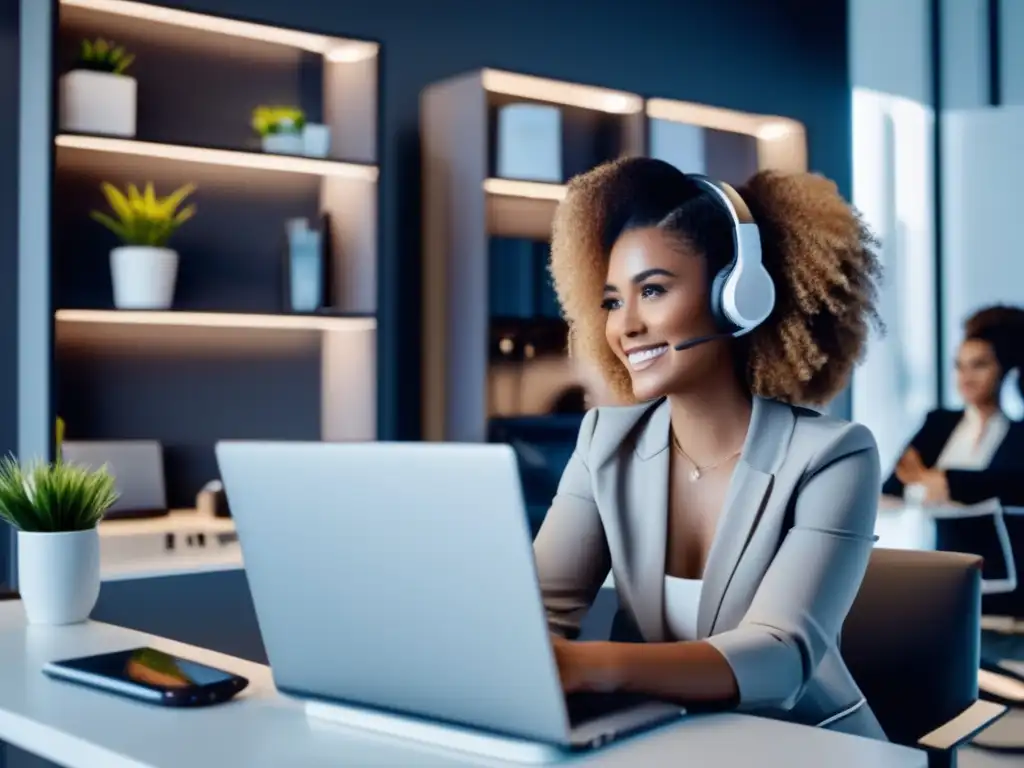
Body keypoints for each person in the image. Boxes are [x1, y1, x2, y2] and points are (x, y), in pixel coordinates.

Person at [532, 157, 886, 739]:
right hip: (665, 740)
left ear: (737, 296)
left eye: (652, 290)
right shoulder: (604, 442)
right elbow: (537, 612)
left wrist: (590, 668)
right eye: (613, 301)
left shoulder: (834, 457)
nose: (625, 327)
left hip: (807, 745)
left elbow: (779, 656)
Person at [881, 305, 1024, 506]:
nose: (966, 378)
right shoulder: (939, 423)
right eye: (959, 366)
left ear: (1003, 370)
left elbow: (1010, 489)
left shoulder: (1017, 435)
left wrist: (939, 480)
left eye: (979, 365)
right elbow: (893, 488)